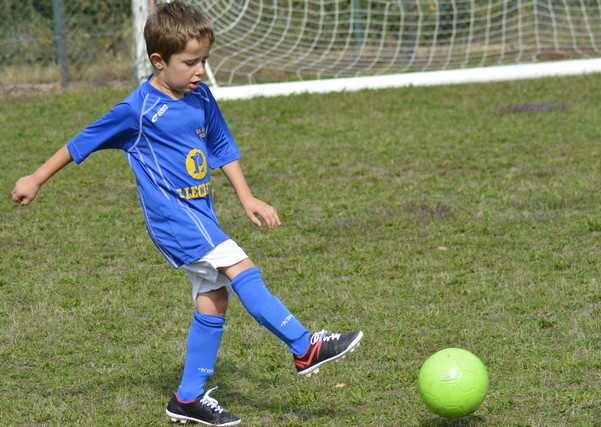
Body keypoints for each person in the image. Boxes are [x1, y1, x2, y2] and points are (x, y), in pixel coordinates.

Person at [10, 1, 363, 425]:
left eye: (204, 61)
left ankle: (187, 398)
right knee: (241, 267)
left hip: (200, 213)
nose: (199, 71)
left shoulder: (200, 95)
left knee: (214, 298)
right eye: (190, 62)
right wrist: (36, 177)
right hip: (173, 219)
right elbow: (81, 142)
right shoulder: (137, 110)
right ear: (159, 61)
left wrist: (247, 197)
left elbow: (221, 145)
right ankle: (304, 346)